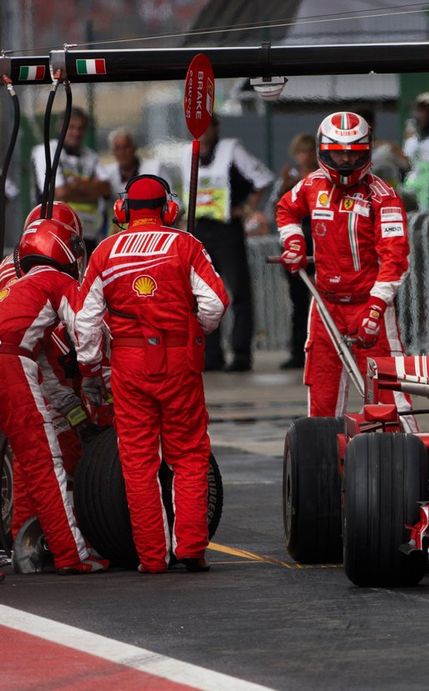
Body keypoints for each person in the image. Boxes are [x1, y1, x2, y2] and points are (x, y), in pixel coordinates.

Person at [76, 175, 229, 573]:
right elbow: (214, 303)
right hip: (179, 360)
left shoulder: (104, 252)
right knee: (190, 454)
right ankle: (191, 548)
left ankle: (152, 558)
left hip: (128, 365)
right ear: (169, 209)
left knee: (138, 460)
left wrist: (91, 366)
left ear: (123, 210)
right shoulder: (186, 244)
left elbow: (85, 321)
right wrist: (194, 330)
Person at [276, 112, 412, 418]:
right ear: (324, 151)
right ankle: (322, 463)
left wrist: (376, 307)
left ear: (367, 151)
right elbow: (286, 209)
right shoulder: (311, 185)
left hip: (370, 303)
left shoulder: (384, 197)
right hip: (325, 306)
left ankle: (403, 457)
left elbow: (395, 256)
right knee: (321, 400)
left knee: (389, 397)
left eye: (354, 154)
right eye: (339, 155)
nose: (347, 162)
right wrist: (294, 243)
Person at [0, 218, 107, 574]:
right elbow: (86, 330)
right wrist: (95, 379)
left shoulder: (15, 289)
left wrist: (73, 411)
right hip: (8, 363)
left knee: (26, 457)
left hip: (15, 359)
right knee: (45, 463)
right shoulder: (55, 281)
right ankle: (71, 554)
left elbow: (48, 377)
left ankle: (21, 545)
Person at [182, 115, 274, 372]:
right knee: (203, 294)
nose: (202, 132)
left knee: (239, 292)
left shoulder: (230, 149)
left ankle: (241, 354)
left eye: (207, 126)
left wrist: (246, 208)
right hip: (199, 228)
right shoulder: (186, 153)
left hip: (227, 229)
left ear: (215, 127)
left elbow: (263, 179)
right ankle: (211, 355)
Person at [31, 107, 112, 253]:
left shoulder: (91, 157)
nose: (76, 133)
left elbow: (106, 188)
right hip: (54, 233)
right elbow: (60, 192)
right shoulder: (46, 151)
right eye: (71, 127)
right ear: (61, 128)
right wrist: (90, 187)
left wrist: (75, 184)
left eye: (81, 128)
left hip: (88, 235)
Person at [272, 133, 319, 370]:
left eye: (308, 151)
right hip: (297, 238)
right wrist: (284, 186)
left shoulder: (322, 177)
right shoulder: (289, 178)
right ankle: (298, 351)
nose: (304, 156)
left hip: (319, 236)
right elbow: (278, 206)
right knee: (298, 302)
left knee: (325, 297)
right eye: (300, 152)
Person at [101, 129, 171, 198]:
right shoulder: (106, 174)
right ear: (112, 152)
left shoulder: (155, 168)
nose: (122, 153)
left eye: (126, 147)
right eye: (117, 148)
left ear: (134, 148)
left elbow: (172, 199)